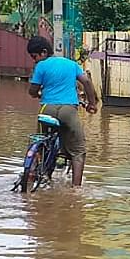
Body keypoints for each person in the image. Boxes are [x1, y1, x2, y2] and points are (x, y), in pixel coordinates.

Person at [27, 36, 100, 186]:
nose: (34, 60)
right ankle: (76, 189)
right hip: (69, 111)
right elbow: (86, 81)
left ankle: (36, 172)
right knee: (78, 151)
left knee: (40, 140)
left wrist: (37, 94)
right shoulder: (71, 64)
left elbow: (32, 91)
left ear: (44, 52)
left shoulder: (41, 66)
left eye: (35, 56)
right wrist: (92, 104)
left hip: (47, 109)